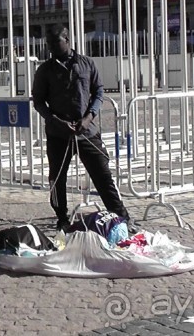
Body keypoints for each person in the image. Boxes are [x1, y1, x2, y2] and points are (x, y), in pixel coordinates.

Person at [32, 26, 134, 233]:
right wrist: (54, 120)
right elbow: (38, 101)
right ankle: (62, 218)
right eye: (48, 43)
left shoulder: (87, 63)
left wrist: (89, 117)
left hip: (87, 132)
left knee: (103, 176)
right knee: (57, 179)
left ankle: (122, 217)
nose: (51, 47)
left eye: (55, 42)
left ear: (67, 40)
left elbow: (98, 92)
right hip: (58, 135)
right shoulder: (44, 70)